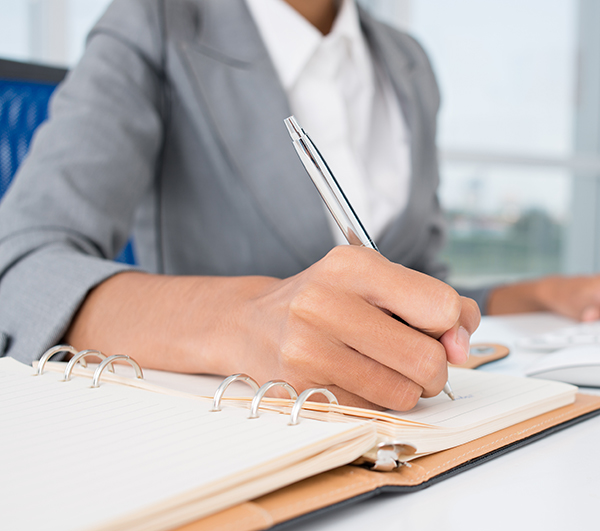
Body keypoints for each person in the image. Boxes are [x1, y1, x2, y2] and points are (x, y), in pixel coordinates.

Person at [0, 0, 595, 411]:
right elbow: (19, 268)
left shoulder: (409, 64)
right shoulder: (156, 22)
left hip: (408, 441)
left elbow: (409, 281)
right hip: (241, 433)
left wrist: (533, 295)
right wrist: (247, 318)